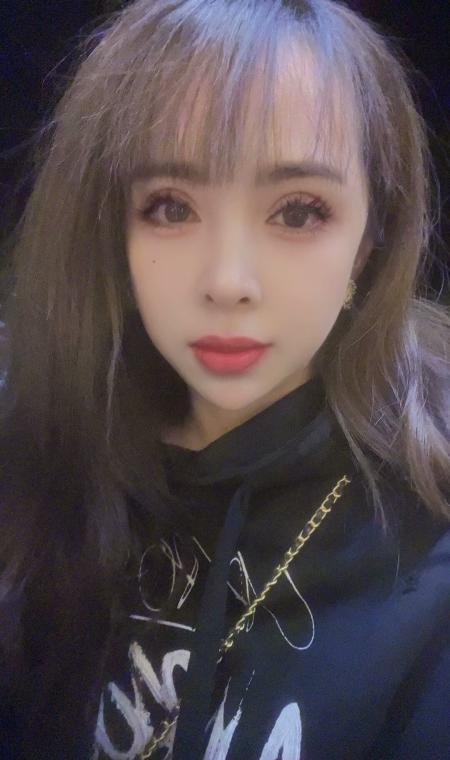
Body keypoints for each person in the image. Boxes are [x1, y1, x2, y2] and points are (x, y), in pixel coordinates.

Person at [0, 0, 449, 758]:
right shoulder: (37, 452)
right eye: (170, 207)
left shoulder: (427, 550)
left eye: (298, 212)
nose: (228, 282)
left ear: (371, 236)